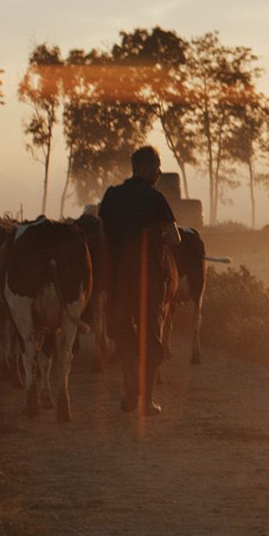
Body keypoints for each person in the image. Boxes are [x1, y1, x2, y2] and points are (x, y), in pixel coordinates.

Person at [98, 145, 180, 414]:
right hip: (150, 280)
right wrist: (161, 240)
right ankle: (145, 400)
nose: (159, 172)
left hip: (117, 280)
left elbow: (103, 236)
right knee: (150, 337)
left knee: (122, 334)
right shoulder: (155, 198)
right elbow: (174, 237)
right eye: (157, 166)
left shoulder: (111, 196)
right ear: (145, 168)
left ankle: (130, 389)